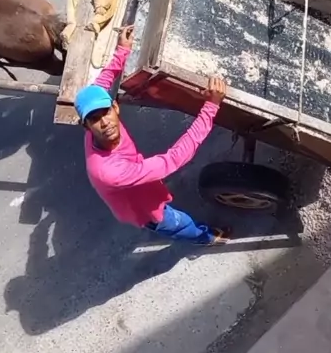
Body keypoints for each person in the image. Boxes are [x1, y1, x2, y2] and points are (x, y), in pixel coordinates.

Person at [74, 25, 231, 245]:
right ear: (86, 126)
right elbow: (173, 159)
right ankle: (207, 238)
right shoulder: (109, 171)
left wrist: (122, 50)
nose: (104, 122)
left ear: (115, 107)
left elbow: (101, 83)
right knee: (177, 223)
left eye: (106, 112)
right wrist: (211, 106)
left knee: (170, 213)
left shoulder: (96, 127)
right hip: (143, 207)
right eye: (94, 119)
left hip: (137, 180)